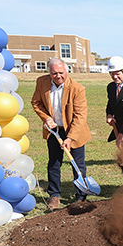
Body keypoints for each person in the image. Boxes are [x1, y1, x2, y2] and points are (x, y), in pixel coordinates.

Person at [31, 58, 91, 209]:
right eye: (54, 73)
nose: (58, 76)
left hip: (75, 132)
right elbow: (36, 103)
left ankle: (81, 197)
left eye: (61, 73)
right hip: (54, 130)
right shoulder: (41, 82)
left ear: (67, 71)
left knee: (77, 165)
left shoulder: (77, 89)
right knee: (54, 163)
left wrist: (70, 138)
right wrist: (47, 118)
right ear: (49, 73)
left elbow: (80, 116)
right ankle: (54, 196)